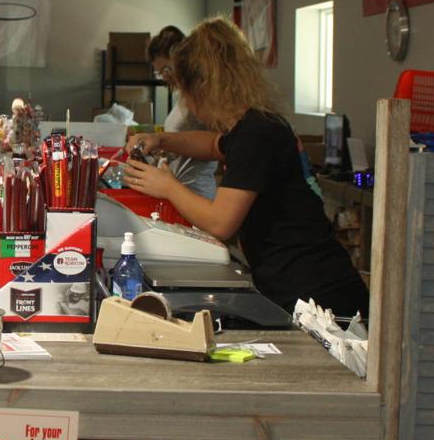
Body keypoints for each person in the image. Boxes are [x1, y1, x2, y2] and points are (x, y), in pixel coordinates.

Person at [123, 16, 368, 317]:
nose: (185, 101)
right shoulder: (251, 127)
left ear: (202, 88)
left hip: (318, 296)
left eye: (185, 91)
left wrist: (167, 186)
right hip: (299, 286)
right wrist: (161, 140)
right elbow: (214, 145)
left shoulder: (257, 134)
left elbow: (221, 222)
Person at [146, 26, 218, 200]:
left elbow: (215, 143)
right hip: (179, 189)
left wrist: (163, 143)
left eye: (166, 69)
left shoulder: (202, 96)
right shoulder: (182, 96)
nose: (164, 77)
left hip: (196, 192)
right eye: (159, 72)